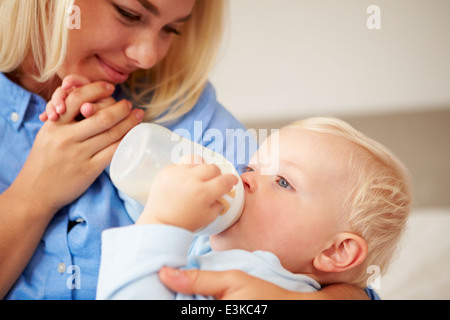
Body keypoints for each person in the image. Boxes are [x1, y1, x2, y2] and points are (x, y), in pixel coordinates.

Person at [0, 0, 253, 299]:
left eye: (170, 29)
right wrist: (34, 195)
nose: (147, 57)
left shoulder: (188, 112)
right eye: (129, 14)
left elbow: (306, 249)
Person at [96, 117, 412, 299]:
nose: (245, 180)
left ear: (336, 251)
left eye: (283, 181)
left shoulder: (263, 284)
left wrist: (163, 221)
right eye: (251, 167)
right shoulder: (223, 249)